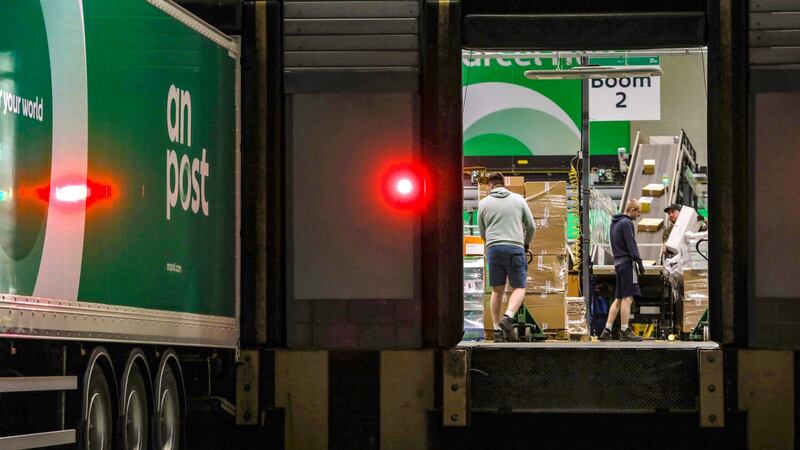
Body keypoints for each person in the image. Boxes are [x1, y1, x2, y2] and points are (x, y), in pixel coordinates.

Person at [478, 172, 535, 342]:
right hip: (515, 247)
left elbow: (483, 232)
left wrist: (492, 242)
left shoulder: (483, 203)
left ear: (490, 185)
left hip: (494, 249)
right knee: (519, 286)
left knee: (497, 290)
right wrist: (525, 244)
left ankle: (496, 330)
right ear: (503, 184)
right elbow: (531, 226)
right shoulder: (518, 199)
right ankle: (508, 317)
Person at [600, 199, 644, 342]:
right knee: (628, 297)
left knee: (618, 298)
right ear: (631, 210)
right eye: (638, 212)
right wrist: (638, 260)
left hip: (618, 262)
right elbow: (631, 243)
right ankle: (625, 330)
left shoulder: (614, 223)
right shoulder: (627, 223)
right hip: (627, 262)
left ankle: (607, 329)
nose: (639, 215)